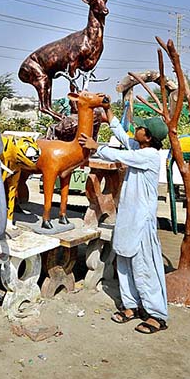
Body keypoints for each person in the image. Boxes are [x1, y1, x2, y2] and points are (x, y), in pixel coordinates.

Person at [78, 105, 169, 334]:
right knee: (125, 263)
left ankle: (156, 314)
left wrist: (96, 146)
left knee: (144, 266)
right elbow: (121, 135)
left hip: (142, 222)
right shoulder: (140, 148)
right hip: (128, 218)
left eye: (141, 128)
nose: (136, 129)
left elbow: (120, 154)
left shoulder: (148, 156)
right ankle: (131, 306)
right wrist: (108, 111)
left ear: (148, 137)